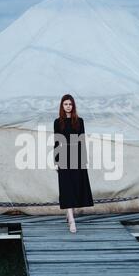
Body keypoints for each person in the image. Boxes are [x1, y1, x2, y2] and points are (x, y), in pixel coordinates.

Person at [54, 94, 94, 233]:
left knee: (76, 187)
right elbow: (57, 141)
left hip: (77, 157)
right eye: (65, 104)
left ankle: (69, 213)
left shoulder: (80, 121)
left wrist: (84, 159)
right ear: (62, 106)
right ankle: (71, 220)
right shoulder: (58, 122)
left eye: (70, 104)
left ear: (73, 106)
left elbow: (82, 141)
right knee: (67, 188)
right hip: (64, 157)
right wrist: (56, 160)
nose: (68, 106)